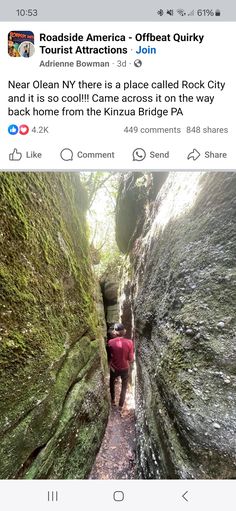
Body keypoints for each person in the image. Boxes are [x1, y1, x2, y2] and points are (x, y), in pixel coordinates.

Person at [107, 323, 134, 412]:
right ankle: (120, 406)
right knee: (124, 386)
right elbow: (130, 359)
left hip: (114, 368)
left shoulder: (110, 342)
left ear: (115, 332)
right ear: (124, 331)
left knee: (111, 382)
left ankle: (112, 400)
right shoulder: (129, 342)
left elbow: (110, 356)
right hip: (124, 368)